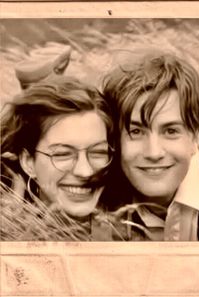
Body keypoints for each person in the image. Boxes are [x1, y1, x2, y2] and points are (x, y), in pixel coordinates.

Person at [102, 51, 199, 241]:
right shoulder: (99, 183)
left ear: (195, 136)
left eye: (170, 131)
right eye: (136, 132)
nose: (154, 153)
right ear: (114, 141)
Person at [1, 75, 115, 240]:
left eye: (98, 152)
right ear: (28, 162)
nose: (85, 172)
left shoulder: (137, 230)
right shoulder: (8, 235)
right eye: (63, 154)